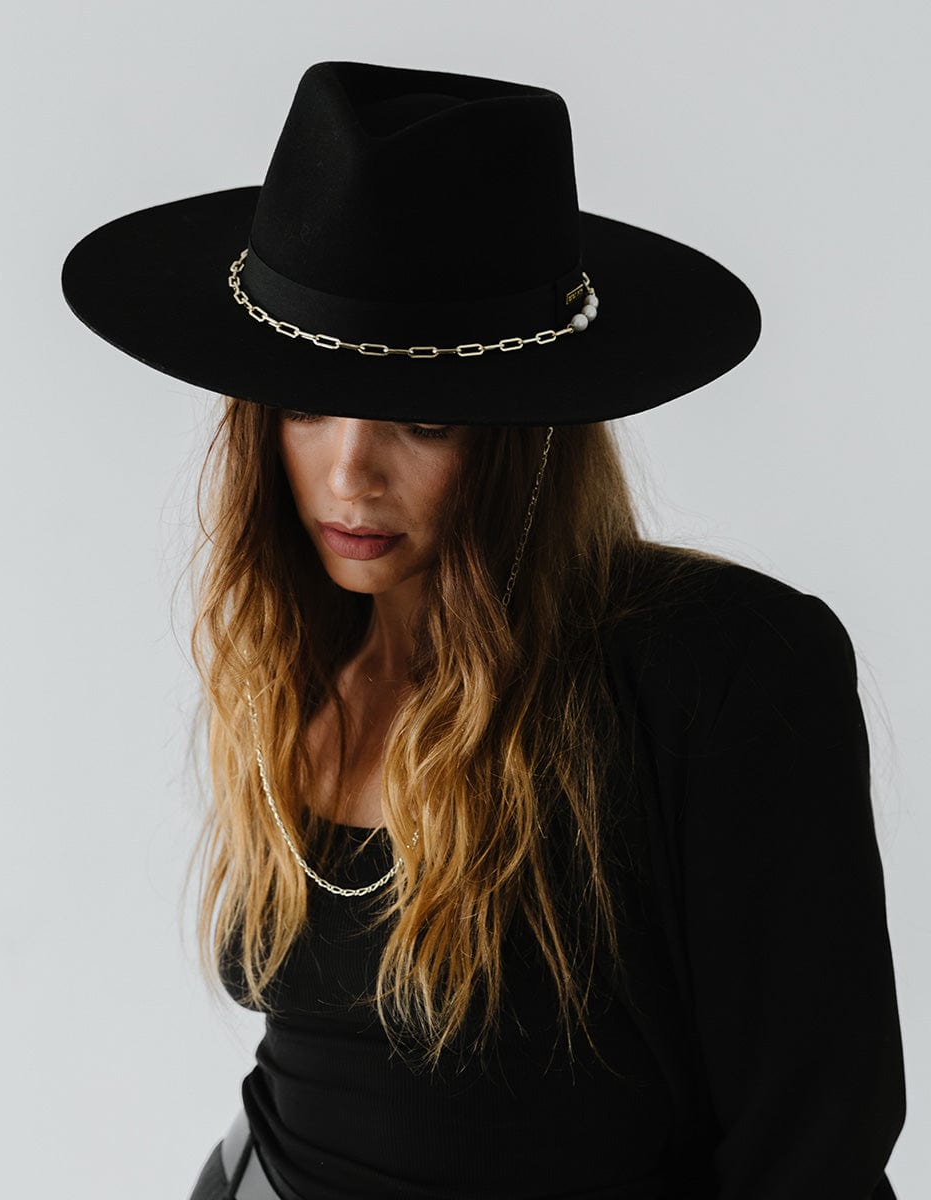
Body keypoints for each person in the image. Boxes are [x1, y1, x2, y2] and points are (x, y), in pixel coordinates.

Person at [61, 60, 905, 1200]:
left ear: (528, 431)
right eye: (304, 405)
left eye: (422, 418)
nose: (349, 473)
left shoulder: (719, 670)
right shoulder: (297, 655)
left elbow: (813, 1143)